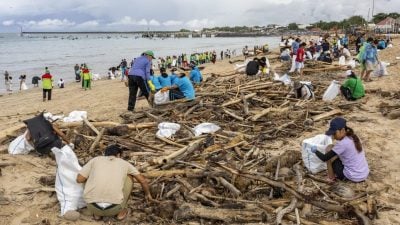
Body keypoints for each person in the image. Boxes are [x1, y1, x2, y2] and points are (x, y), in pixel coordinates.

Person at [76, 145, 153, 221]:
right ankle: (121, 212)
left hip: (92, 207)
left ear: (104, 154)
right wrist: (147, 194)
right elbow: (142, 181)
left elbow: (79, 179)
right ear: (119, 155)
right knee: (129, 176)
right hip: (114, 209)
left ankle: (97, 214)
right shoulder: (125, 163)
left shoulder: (95, 160)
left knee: (85, 177)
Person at [310, 117, 369, 182]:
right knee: (333, 150)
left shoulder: (342, 144)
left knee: (328, 150)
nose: (333, 136)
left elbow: (324, 158)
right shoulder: (353, 137)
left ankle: (331, 177)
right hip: (364, 173)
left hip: (353, 177)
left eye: (334, 133)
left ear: (342, 130)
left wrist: (315, 150)